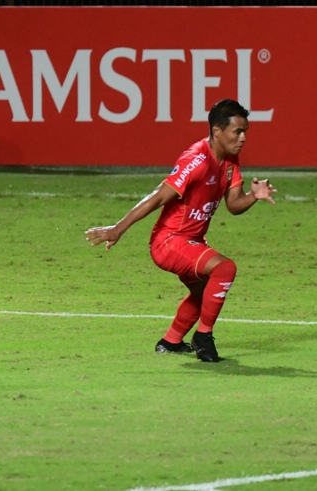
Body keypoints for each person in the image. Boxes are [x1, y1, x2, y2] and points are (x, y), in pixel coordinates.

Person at [85, 98, 276, 362]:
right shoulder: (196, 159)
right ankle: (203, 337)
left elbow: (233, 205)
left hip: (191, 241)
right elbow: (158, 197)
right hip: (169, 241)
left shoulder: (230, 159)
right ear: (217, 131)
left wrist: (254, 196)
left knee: (205, 292)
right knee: (224, 269)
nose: (243, 138)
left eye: (245, 132)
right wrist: (119, 228)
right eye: (237, 131)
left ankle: (170, 342)